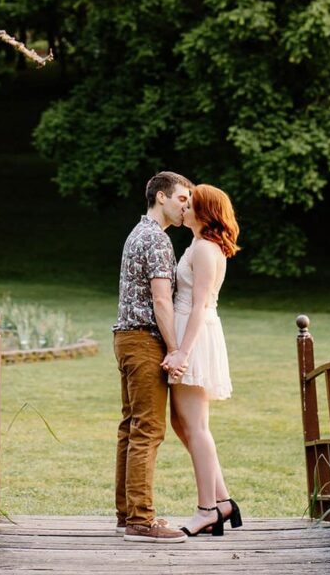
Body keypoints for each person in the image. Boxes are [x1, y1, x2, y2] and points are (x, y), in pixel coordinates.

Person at [113, 170, 193, 544]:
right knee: (148, 429)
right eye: (181, 199)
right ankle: (142, 520)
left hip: (126, 338)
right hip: (144, 340)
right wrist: (176, 348)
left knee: (130, 427)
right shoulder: (157, 240)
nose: (186, 207)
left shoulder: (136, 233)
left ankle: (126, 513)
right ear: (161, 197)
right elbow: (161, 300)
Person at [163, 183, 242, 537]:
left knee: (195, 426)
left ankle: (207, 509)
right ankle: (223, 501)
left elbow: (199, 305)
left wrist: (182, 351)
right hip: (187, 331)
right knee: (183, 425)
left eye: (190, 203)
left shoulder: (208, 250)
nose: (184, 207)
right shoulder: (196, 243)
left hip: (194, 335)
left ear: (204, 211)